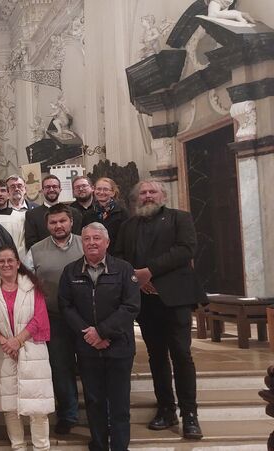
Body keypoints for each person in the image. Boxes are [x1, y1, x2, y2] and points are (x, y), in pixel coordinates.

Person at [115, 180, 205, 439]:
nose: (147, 196)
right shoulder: (128, 226)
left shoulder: (180, 218)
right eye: (143, 193)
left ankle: (190, 414)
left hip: (175, 297)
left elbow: (185, 249)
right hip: (145, 299)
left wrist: (149, 272)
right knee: (156, 356)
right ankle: (166, 409)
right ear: (136, 199)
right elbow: (120, 257)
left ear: (163, 196)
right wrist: (137, 281)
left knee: (181, 354)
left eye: (152, 191)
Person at [58, 223, 140, 451]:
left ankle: (120, 446)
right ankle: (99, 444)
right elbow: (66, 306)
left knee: (120, 403)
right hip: (88, 349)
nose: (92, 242)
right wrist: (90, 335)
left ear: (107, 242)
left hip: (119, 348)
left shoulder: (123, 269)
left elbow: (131, 306)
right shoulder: (71, 271)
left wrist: (102, 332)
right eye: (87, 239)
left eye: (97, 238)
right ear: (81, 243)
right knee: (93, 401)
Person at [0, 245, 53, 451]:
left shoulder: (32, 286)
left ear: (18, 263)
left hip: (32, 352)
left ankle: (41, 447)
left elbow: (40, 317)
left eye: (10, 260)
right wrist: (4, 341)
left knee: (38, 408)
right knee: (10, 407)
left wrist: (17, 341)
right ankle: (18, 447)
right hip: (2, 352)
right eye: (2, 261)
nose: (6, 264)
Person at [25, 204, 83, 435]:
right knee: (60, 367)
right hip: (54, 317)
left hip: (86, 317)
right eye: (53, 222)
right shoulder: (36, 250)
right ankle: (68, 414)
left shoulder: (85, 242)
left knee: (90, 366)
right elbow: (27, 281)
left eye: (62, 221)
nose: (58, 226)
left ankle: (98, 411)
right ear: (47, 225)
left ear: (71, 222)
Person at [24, 175, 83, 251]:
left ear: (60, 189)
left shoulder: (74, 212)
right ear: (42, 190)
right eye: (48, 187)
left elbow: (77, 238)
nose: (51, 189)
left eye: (54, 186)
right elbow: (31, 242)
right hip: (44, 258)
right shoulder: (32, 215)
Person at [82, 177, 127, 254]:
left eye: (105, 189)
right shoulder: (88, 215)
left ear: (113, 192)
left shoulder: (122, 213)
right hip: (95, 256)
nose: (101, 192)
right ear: (94, 190)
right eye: (98, 189)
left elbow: (126, 239)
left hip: (117, 257)